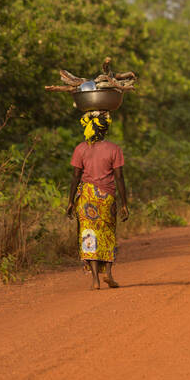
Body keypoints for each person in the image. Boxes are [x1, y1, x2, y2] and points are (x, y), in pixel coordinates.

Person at [66, 109, 129, 290]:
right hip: (106, 198)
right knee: (108, 233)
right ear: (104, 130)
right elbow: (119, 178)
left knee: (89, 235)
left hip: (86, 197)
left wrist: (70, 201)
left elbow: (75, 177)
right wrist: (124, 203)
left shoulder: (80, 149)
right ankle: (108, 274)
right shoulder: (114, 149)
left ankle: (95, 279)